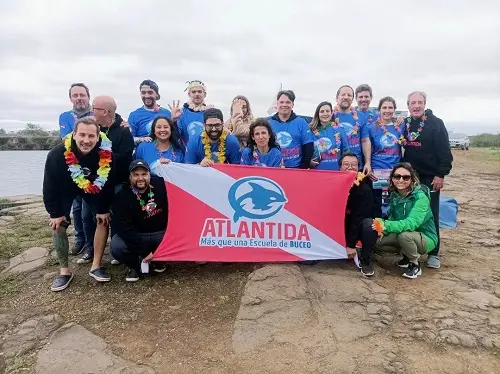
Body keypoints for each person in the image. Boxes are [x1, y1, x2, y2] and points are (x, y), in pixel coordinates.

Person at [43, 117, 115, 291]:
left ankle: (96, 266)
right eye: (82, 135)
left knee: (103, 219)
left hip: (91, 187)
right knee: (59, 223)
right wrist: (54, 213)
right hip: (65, 187)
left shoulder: (104, 153)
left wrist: (103, 209)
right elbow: (49, 185)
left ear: (98, 137)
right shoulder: (56, 154)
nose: (86, 140)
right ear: (74, 134)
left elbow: (107, 182)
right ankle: (64, 271)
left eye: (91, 136)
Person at [401, 91, 453, 269]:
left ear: (425, 104)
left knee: (430, 214)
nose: (416, 106)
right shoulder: (406, 124)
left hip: (430, 178)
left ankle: (433, 253)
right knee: (408, 213)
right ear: (408, 106)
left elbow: (445, 153)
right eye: (412, 103)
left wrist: (440, 175)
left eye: (419, 102)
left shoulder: (436, 124)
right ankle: (409, 253)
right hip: (408, 178)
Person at [89, 95, 135, 265]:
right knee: (90, 217)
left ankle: (116, 252)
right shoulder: (92, 129)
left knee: (116, 218)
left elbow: (124, 158)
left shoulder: (123, 131)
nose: (91, 110)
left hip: (116, 183)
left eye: (94, 108)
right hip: (93, 183)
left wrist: (102, 157)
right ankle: (90, 249)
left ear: (106, 111)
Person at [372, 162, 438, 279]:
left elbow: (411, 224)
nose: (401, 180)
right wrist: (384, 231)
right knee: (378, 242)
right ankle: (406, 256)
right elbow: (393, 216)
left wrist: (385, 225)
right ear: (392, 179)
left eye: (406, 177)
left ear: (412, 179)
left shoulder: (421, 198)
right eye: (397, 176)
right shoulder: (394, 194)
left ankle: (414, 264)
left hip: (426, 237)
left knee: (405, 235)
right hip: (405, 233)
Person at [111, 160, 168, 282]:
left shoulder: (161, 184)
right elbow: (125, 228)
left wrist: (169, 166)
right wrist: (144, 251)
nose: (140, 178)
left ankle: (158, 260)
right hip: (138, 236)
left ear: (149, 175)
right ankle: (135, 265)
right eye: (136, 175)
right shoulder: (122, 196)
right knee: (117, 246)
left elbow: (181, 183)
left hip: (160, 234)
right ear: (130, 177)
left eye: (144, 174)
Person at [58, 83, 95, 257]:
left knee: (89, 204)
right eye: (75, 95)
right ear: (71, 98)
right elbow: (65, 138)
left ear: (88, 96)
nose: (79, 98)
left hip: (94, 164)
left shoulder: (97, 114)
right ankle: (80, 239)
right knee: (77, 206)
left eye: (82, 95)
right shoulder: (65, 116)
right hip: (73, 165)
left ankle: (91, 242)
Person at [368, 96, 404, 217]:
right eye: (384, 107)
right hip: (377, 173)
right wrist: (370, 167)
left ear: (394, 110)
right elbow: (369, 149)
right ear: (379, 110)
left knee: (394, 204)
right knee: (377, 205)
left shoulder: (400, 126)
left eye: (390, 107)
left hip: (395, 172)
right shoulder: (372, 127)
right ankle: (377, 231)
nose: (387, 110)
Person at [341, 152, 376, 276]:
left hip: (357, 226)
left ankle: (365, 259)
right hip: (340, 225)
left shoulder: (364, 190)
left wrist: (350, 245)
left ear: (358, 168)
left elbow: (358, 218)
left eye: (354, 165)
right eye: (346, 164)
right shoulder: (333, 185)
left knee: (368, 225)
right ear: (339, 168)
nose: (350, 167)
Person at [268, 90, 314, 168]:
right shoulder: (269, 123)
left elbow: (308, 147)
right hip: (273, 168)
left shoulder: (301, 123)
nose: (284, 105)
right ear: (277, 104)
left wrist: (303, 167)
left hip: (295, 170)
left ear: (292, 104)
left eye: (288, 102)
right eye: (281, 102)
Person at [333, 85, 371, 175]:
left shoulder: (360, 116)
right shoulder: (329, 116)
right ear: (337, 98)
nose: (346, 97)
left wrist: (368, 163)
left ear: (352, 99)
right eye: (343, 95)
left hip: (356, 167)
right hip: (335, 167)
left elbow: (365, 141)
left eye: (349, 95)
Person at [128, 80, 172, 145]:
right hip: (143, 153)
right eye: (143, 93)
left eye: (150, 92)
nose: (146, 96)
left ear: (157, 94)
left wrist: (175, 120)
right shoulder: (134, 115)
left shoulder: (167, 113)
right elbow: (129, 139)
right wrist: (141, 139)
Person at [309, 101, 348, 171]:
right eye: (322, 111)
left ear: (331, 113)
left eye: (327, 111)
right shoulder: (310, 131)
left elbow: (346, 150)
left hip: (336, 171)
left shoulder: (339, 129)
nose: (325, 114)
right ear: (318, 114)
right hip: (317, 171)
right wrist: (309, 162)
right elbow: (305, 150)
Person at [176, 80, 212, 145]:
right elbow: (176, 134)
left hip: (206, 151)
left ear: (205, 94)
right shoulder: (181, 113)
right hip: (186, 151)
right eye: (193, 92)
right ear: (189, 94)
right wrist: (173, 120)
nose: (197, 94)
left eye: (199, 92)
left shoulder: (210, 112)